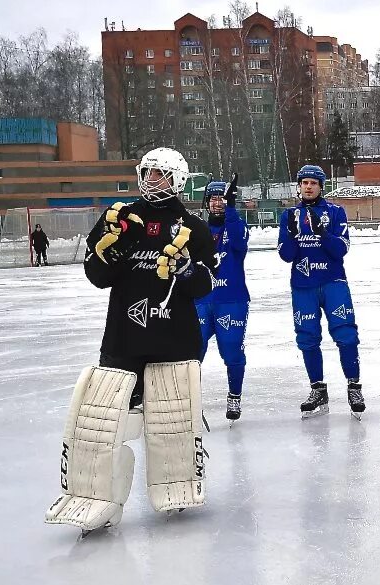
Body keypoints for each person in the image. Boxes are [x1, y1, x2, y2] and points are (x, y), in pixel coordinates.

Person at [45, 147, 216, 533]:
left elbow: (206, 284)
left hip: (174, 339)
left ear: (177, 179)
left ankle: (177, 485)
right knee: (103, 424)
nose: (150, 179)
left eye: (159, 173)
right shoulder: (119, 220)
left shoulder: (193, 227)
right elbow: (97, 276)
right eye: (147, 171)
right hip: (123, 339)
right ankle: (98, 499)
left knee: (171, 425)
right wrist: (109, 251)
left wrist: (187, 271)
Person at [278, 164, 364, 419]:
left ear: (321, 186)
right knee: (307, 338)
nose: (308, 187)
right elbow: (285, 255)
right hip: (303, 285)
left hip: (333, 281)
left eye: (313, 183)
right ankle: (318, 389)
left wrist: (322, 233)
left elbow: (341, 250)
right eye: (304, 182)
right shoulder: (289, 215)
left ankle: (354, 386)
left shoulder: (336, 212)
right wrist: (293, 236)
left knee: (346, 334)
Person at [196, 179, 249, 422]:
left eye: (222, 198)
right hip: (200, 300)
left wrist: (231, 209)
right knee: (192, 353)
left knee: (232, 352)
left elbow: (239, 243)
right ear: (206, 202)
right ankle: (190, 400)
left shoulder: (236, 225)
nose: (218, 203)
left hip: (231, 300)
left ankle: (234, 395)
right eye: (214, 198)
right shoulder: (196, 229)